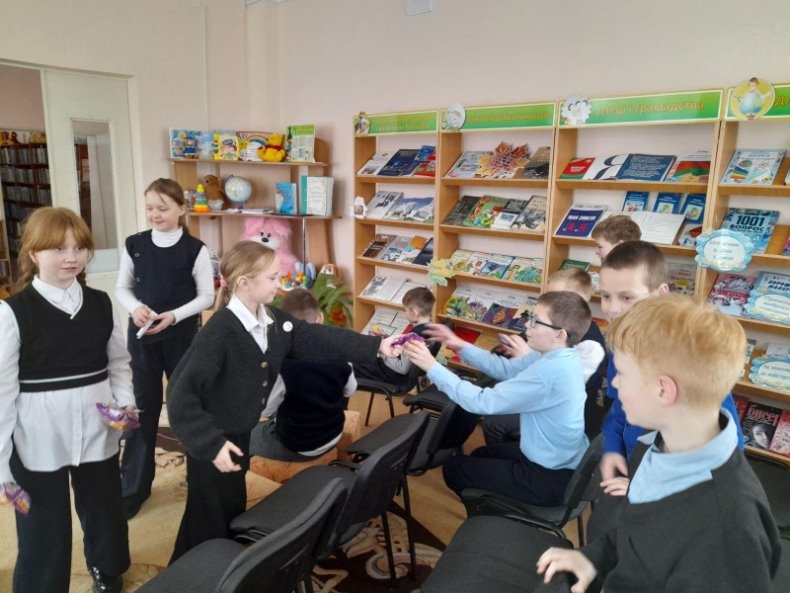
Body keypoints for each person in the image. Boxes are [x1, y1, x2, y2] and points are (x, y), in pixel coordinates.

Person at [165, 241, 402, 561]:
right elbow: (179, 394)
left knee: (231, 502)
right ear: (244, 283)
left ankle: (224, 560)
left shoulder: (273, 320)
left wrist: (375, 347)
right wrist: (211, 444)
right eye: (272, 278)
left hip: (239, 430)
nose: (280, 284)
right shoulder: (219, 332)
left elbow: (316, 337)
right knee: (207, 512)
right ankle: (193, 569)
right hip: (214, 438)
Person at [537, 295, 781, 593]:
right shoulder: (659, 444)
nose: (615, 384)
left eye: (622, 373)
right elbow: (636, 533)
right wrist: (594, 560)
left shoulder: (727, 529)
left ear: (663, 390)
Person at [0, 207, 136, 593]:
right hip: (36, 435)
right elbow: (2, 391)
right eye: (58, 249)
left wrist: (124, 404)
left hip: (97, 427)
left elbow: (119, 363)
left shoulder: (102, 303)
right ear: (33, 253)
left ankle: (108, 569)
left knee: (105, 507)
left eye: (79, 248)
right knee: (42, 522)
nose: (71, 257)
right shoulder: (12, 313)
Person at [403, 291, 592, 506]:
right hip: (561, 459)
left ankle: (489, 512)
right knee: (480, 454)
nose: (526, 325)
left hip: (549, 476)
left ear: (559, 335)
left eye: (535, 321)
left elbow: (482, 402)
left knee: (454, 469)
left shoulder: (549, 372)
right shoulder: (560, 355)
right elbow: (504, 368)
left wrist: (431, 367)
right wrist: (457, 343)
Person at [598, 241, 744, 497]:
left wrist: (645, 486)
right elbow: (618, 410)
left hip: (666, 488)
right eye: (605, 296)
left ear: (661, 293)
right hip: (635, 469)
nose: (612, 309)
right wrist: (612, 447)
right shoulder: (623, 347)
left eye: (627, 297)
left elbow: (726, 450)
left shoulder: (687, 356)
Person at [115, 178, 215, 519]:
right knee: (141, 410)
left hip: (181, 337)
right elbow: (122, 288)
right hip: (143, 336)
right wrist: (135, 308)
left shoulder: (195, 249)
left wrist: (173, 316)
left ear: (181, 209)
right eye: (150, 208)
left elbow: (207, 296)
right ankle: (133, 489)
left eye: (163, 208)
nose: (155, 214)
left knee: (187, 406)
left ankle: (202, 484)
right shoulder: (134, 244)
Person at [483, 267, 607, 445]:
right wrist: (508, 348)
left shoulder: (591, 344)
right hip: (540, 398)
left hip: (563, 414)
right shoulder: (551, 323)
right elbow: (518, 345)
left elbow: (562, 386)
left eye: (556, 297)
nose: (549, 302)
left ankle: (512, 457)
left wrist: (525, 357)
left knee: (494, 423)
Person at [249, 288, 357, 461]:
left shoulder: (282, 364)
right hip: (334, 433)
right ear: (320, 318)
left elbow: (266, 410)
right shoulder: (341, 351)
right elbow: (349, 390)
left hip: (299, 446)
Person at [353, 286, 435, 387]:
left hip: (392, 376)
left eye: (405, 310)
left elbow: (402, 368)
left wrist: (382, 352)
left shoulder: (414, 336)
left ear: (414, 313)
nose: (405, 313)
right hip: (399, 375)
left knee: (351, 362)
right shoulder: (430, 329)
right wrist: (388, 340)